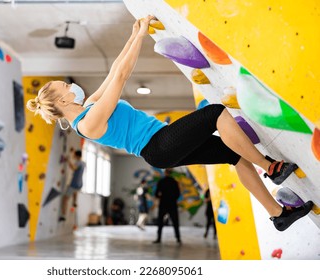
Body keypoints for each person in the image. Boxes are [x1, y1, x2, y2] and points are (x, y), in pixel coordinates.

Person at [26, 15, 313, 232]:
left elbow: (114, 70)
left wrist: (133, 34)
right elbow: (122, 76)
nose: (69, 85)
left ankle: (278, 214)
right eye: (64, 86)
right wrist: (140, 37)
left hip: (162, 142)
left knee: (235, 155)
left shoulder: (88, 106)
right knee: (214, 112)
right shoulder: (87, 124)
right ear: (61, 102)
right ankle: (269, 168)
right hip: (157, 147)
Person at [153, 169, 181, 244]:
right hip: (172, 204)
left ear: (165, 173)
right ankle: (178, 239)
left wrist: (161, 197)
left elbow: (156, 194)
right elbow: (178, 194)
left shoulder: (161, 181)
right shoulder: (174, 182)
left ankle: (159, 238)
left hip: (163, 204)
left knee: (160, 222)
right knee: (175, 222)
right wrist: (173, 199)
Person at [58, 150, 85, 222]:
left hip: (74, 184)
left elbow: (74, 168)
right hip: (79, 184)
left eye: (74, 155)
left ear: (77, 156)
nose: (73, 156)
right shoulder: (83, 163)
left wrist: (68, 160)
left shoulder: (78, 162)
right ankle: (74, 202)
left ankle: (63, 216)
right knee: (75, 192)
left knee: (65, 199)